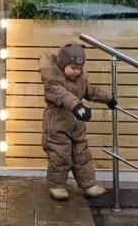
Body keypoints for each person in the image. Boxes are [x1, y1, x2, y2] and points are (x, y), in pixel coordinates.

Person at [39, 42, 117, 201]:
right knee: (60, 155)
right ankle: (57, 185)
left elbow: (91, 91)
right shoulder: (52, 81)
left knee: (82, 155)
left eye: (79, 68)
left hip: (77, 126)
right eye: (72, 68)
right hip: (57, 126)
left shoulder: (80, 80)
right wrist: (77, 107)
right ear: (62, 65)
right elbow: (64, 96)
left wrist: (108, 99)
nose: (76, 72)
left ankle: (88, 184)